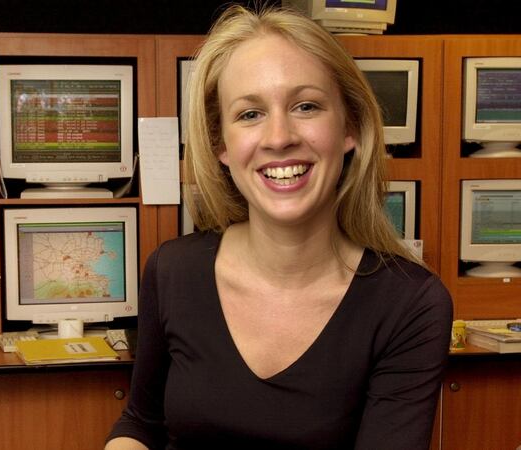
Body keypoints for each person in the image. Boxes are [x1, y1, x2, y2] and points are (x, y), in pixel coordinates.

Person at [106, 5, 452, 450]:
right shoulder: (172, 270)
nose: (278, 137)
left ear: (350, 126)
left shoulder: (410, 304)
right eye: (249, 114)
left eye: (305, 106)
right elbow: (141, 423)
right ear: (221, 145)